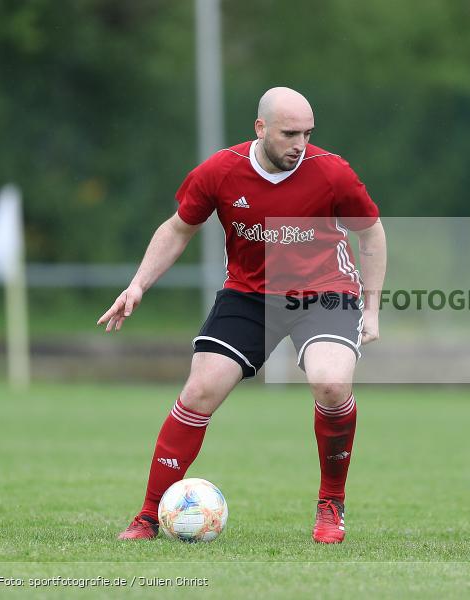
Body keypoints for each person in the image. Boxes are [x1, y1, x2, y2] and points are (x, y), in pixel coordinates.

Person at [99, 87, 386, 544]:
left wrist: (371, 307)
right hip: (250, 294)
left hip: (325, 292)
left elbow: (371, 234)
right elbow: (178, 228)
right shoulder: (220, 170)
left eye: (308, 134)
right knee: (198, 391)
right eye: (290, 133)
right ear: (260, 128)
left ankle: (331, 502)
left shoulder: (332, 174)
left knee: (331, 383)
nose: (300, 144)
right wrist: (137, 284)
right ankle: (149, 515)